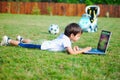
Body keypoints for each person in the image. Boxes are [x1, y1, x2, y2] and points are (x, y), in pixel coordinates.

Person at [0, 23, 91, 55]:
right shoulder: (66, 41)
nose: (79, 38)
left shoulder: (64, 36)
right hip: (42, 45)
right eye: (78, 36)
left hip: (44, 42)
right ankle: (8, 40)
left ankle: (21, 38)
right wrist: (83, 50)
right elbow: (71, 53)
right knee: (24, 46)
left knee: (32, 41)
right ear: (71, 35)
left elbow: (68, 49)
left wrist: (74, 48)